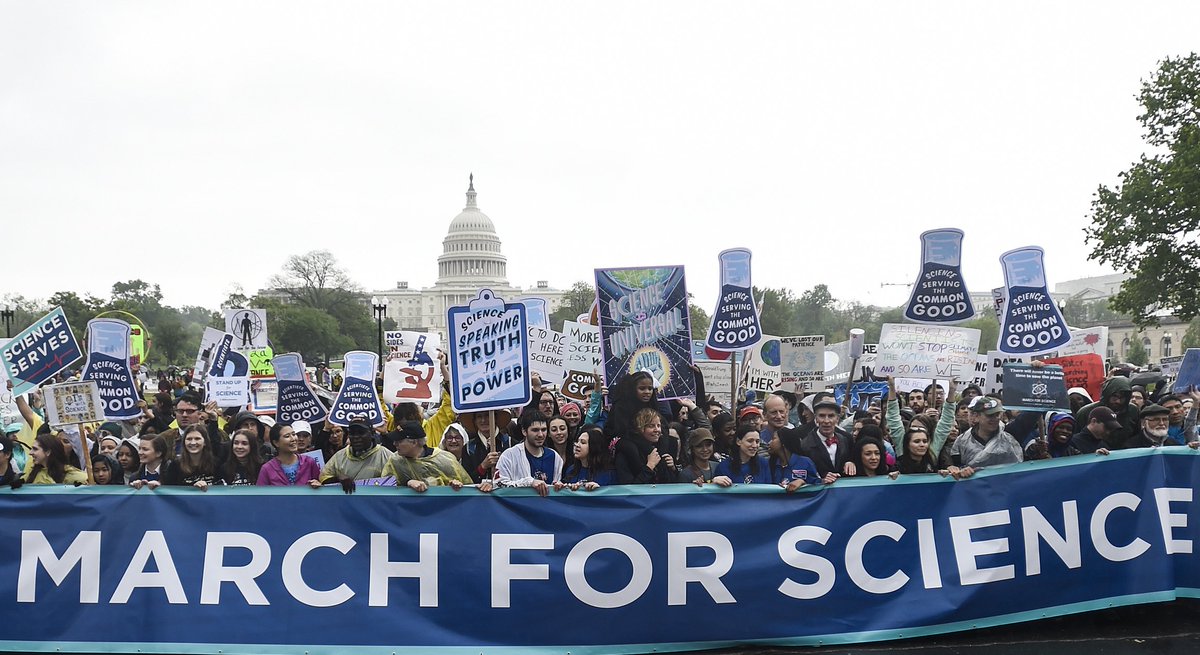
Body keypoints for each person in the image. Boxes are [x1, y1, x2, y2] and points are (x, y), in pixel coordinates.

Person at [382, 421, 482, 492]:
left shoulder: (445, 459)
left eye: (399, 441)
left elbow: (468, 488)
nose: (394, 444)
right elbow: (384, 489)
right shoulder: (395, 461)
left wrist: (454, 486)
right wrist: (408, 482)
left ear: (414, 442)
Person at [948, 397, 1023, 479]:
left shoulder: (1009, 439)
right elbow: (955, 467)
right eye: (990, 415)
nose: (995, 419)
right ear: (976, 416)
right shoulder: (962, 441)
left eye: (997, 415)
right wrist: (960, 470)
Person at [497, 411, 562, 495]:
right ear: (524, 431)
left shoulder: (555, 457)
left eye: (544, 430)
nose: (540, 434)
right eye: (535, 430)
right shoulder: (509, 456)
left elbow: (556, 489)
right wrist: (529, 482)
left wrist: (559, 486)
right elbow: (498, 485)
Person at [320, 419, 392, 490]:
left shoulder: (386, 455)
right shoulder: (339, 456)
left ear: (372, 433)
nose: (356, 437)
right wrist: (338, 479)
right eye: (352, 433)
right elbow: (324, 477)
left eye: (361, 433)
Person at [613, 407, 677, 485]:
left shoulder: (660, 449)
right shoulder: (626, 453)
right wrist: (649, 467)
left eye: (658, 426)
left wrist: (673, 469)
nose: (657, 430)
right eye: (651, 426)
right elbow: (629, 489)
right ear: (640, 428)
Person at [795, 399, 857, 478]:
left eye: (831, 416)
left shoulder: (845, 440)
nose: (826, 421)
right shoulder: (804, 445)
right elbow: (801, 474)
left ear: (837, 418)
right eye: (822, 416)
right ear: (816, 418)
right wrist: (821, 479)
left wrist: (850, 462)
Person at [1073, 377, 1138, 450]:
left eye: (1122, 398)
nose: (1118, 401)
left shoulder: (1133, 411)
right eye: (1115, 396)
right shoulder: (1085, 412)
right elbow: (1077, 440)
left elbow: (1137, 437)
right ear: (1108, 394)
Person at [258, 423, 322, 487]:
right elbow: (260, 494)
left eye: (294, 434)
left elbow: (321, 486)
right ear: (276, 443)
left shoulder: (309, 462)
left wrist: (318, 485)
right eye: (287, 436)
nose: (293, 439)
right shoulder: (267, 469)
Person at [460, 409, 513, 484]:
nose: (483, 420)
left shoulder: (510, 443)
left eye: (487, 415)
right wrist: (483, 466)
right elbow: (466, 480)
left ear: (495, 418)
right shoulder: (468, 448)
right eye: (479, 416)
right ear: (475, 421)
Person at [560, 425, 613, 489]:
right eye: (577, 441)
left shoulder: (609, 473)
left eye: (583, 442)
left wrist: (599, 490)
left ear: (593, 447)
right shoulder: (571, 470)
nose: (577, 445)